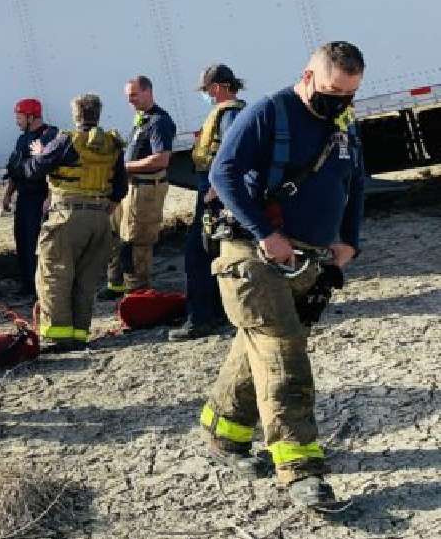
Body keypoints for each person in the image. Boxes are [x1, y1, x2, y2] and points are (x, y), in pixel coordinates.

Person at [199, 42, 365, 509]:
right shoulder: (270, 112)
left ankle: (223, 431)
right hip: (253, 255)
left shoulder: (343, 124)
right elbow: (223, 173)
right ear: (308, 76)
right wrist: (266, 232)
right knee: (282, 353)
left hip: (308, 260)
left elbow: (355, 184)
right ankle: (300, 469)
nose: (342, 103)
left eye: (350, 95)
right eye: (334, 92)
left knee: (259, 345)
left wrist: (349, 241)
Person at [19, 94, 126, 352]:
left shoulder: (67, 140)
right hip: (100, 219)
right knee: (86, 279)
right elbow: (121, 185)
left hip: (67, 216)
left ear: (76, 115)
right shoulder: (112, 143)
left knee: (55, 274)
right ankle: (79, 335)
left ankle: (58, 337)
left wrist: (38, 153)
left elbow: (34, 170)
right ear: (97, 114)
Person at [169, 64, 246, 341]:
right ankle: (220, 312)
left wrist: (216, 187)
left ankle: (201, 319)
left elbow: (234, 154)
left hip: (215, 197)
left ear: (218, 87)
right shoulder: (233, 112)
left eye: (207, 89)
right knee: (213, 253)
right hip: (216, 193)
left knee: (198, 256)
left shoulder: (229, 115)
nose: (207, 95)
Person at [102, 75, 176, 298]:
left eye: (134, 95)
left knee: (137, 240)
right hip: (131, 188)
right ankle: (116, 285)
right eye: (127, 96)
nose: (130, 100)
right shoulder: (141, 119)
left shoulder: (159, 122)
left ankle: (138, 292)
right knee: (117, 236)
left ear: (148, 92)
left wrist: (125, 167)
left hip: (145, 191)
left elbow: (161, 159)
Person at [3, 98, 59, 297]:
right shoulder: (22, 139)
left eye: (19, 117)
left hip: (40, 198)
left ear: (31, 116)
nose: (16, 121)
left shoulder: (50, 135)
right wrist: (7, 195)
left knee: (38, 243)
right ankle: (27, 284)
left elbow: (55, 168)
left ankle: (41, 286)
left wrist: (50, 197)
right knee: (23, 240)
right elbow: (15, 169)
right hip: (24, 198)